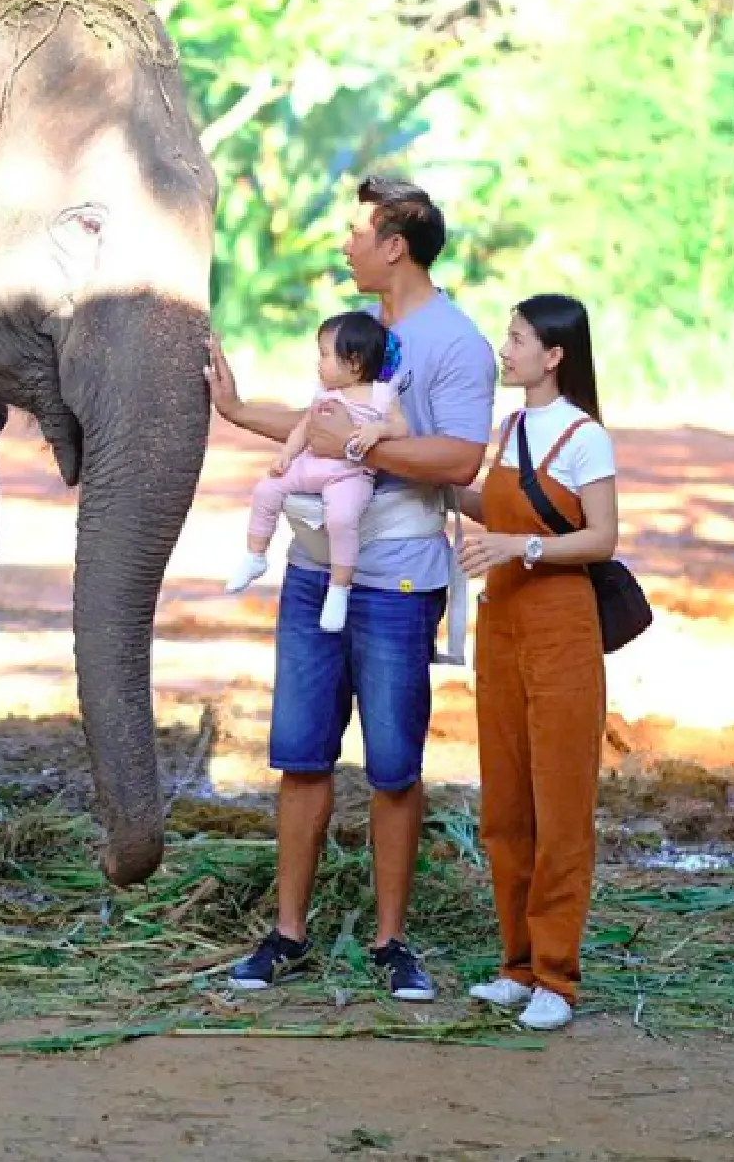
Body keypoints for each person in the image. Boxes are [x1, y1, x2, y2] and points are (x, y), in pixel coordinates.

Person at [205, 176, 496, 1000]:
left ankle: (391, 939)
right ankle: (287, 932)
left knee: (395, 765)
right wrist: (235, 410)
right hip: (310, 572)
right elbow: (319, 423)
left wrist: (366, 453)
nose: (345, 245)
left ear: (394, 244)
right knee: (301, 754)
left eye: (356, 232)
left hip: (398, 579)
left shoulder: (456, 344)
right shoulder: (360, 333)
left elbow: (459, 459)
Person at [455, 293, 618, 1031]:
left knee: (560, 807)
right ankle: (516, 963)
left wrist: (519, 549)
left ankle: (557, 973)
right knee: (506, 806)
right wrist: (403, 462)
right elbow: (501, 508)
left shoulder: (584, 437)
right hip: (503, 626)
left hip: (560, 629)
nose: (505, 346)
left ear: (554, 355)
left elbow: (602, 538)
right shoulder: (511, 426)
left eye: (517, 337)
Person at [223, 310, 409, 632]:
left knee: (341, 518)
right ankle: (256, 554)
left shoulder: (380, 394)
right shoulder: (326, 394)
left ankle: (339, 588)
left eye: (324, 355)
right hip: (311, 462)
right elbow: (304, 427)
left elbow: (401, 428)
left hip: (350, 473)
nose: (318, 363)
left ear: (353, 362)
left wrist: (376, 430)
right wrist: (286, 455)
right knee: (267, 490)